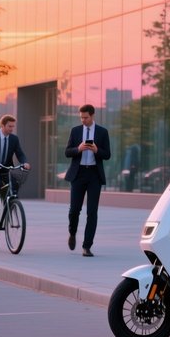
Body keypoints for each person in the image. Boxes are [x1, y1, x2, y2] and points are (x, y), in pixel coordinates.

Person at [64, 104, 111, 257]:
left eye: (86, 117)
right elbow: (67, 152)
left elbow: (107, 155)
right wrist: (78, 149)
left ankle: (87, 246)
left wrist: (97, 150)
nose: (83, 120)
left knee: (92, 212)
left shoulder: (102, 132)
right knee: (74, 210)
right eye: (81, 118)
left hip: (94, 175)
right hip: (78, 174)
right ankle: (72, 233)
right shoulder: (75, 131)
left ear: (92, 116)